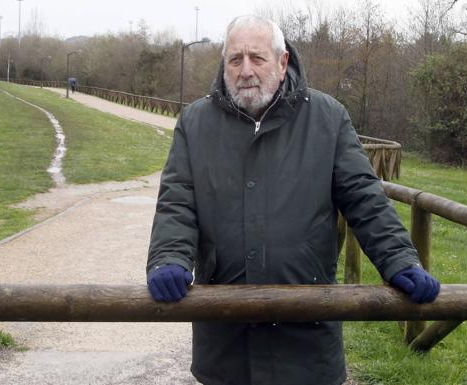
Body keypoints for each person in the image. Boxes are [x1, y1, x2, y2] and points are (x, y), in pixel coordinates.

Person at [146, 15, 440, 385]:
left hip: (308, 337)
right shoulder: (195, 122)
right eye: (235, 59)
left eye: (257, 58)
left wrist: (399, 259)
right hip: (225, 340)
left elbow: (365, 198)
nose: (245, 70)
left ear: (283, 62)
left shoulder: (327, 118)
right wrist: (169, 258)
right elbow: (177, 201)